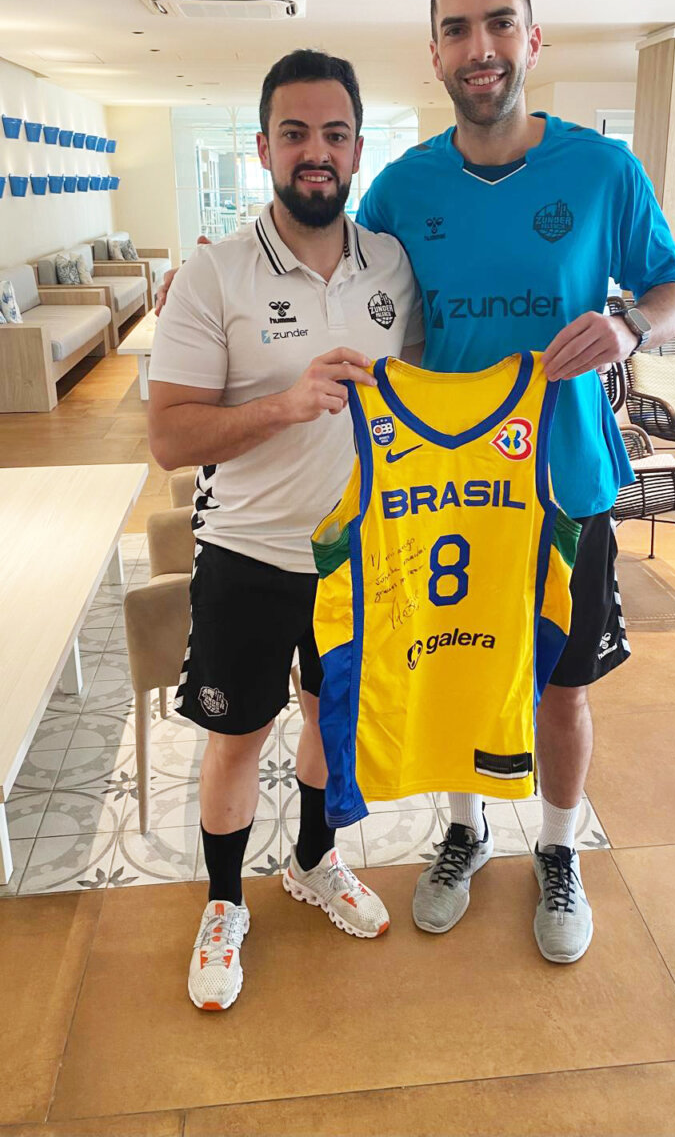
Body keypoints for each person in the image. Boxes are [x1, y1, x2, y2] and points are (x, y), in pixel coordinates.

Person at [355, 0, 675, 962]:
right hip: (445, 477)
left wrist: (632, 329)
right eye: (458, 28)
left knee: (561, 681)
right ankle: (460, 832)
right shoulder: (402, 189)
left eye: (498, 22)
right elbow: (366, 308)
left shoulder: (599, 169)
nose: (480, 45)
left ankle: (556, 845)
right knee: (456, 661)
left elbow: (672, 290)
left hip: (564, 477)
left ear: (531, 38)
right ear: (434, 53)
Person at [147, 49, 423, 1010]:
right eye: (296, 133)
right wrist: (285, 403)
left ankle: (313, 860)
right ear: (263, 147)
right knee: (235, 736)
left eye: (335, 134)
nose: (317, 152)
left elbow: (418, 400)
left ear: (356, 149)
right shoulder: (213, 275)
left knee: (326, 721)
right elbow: (169, 436)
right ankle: (225, 902)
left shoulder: (390, 263)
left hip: (359, 557)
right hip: (247, 554)